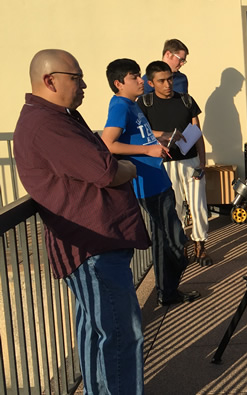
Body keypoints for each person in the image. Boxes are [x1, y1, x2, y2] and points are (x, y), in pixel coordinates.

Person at [13, 49, 150, 394]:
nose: (85, 84)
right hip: (92, 245)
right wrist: (130, 169)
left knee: (97, 329)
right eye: (76, 78)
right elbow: (104, 170)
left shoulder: (57, 116)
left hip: (93, 243)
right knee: (121, 333)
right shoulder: (46, 124)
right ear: (50, 80)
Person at [101, 58, 201, 306]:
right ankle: (167, 290)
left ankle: (167, 293)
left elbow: (140, 133)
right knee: (176, 243)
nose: (140, 80)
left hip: (158, 179)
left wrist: (162, 137)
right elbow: (108, 143)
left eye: (139, 76)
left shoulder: (132, 104)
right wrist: (147, 152)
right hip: (148, 184)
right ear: (118, 83)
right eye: (134, 77)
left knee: (164, 239)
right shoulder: (120, 106)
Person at [138, 60, 213, 266]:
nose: (168, 84)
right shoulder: (144, 103)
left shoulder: (186, 101)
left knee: (198, 205)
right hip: (165, 164)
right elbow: (141, 133)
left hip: (191, 161)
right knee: (176, 206)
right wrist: (164, 135)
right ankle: (181, 246)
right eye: (161, 81)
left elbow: (197, 133)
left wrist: (203, 163)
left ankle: (201, 245)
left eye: (170, 79)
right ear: (151, 83)